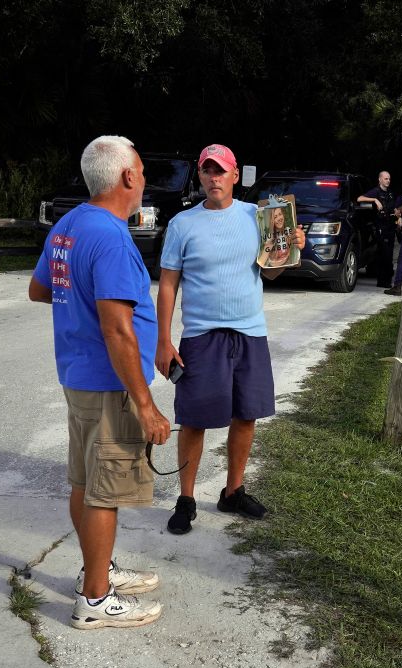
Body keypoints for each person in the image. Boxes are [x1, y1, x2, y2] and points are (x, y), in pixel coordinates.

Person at [29, 135, 170, 629]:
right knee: (104, 491)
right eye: (142, 171)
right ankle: (94, 600)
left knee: (84, 481)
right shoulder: (110, 236)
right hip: (110, 386)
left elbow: (40, 289)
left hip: (78, 376)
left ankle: (98, 570)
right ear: (128, 177)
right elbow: (117, 329)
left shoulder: (69, 223)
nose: (145, 180)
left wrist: (79, 309)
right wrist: (146, 404)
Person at [155, 143, 306, 535]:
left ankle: (233, 491)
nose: (213, 178)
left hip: (250, 332)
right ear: (200, 177)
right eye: (207, 171)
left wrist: (290, 249)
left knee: (246, 415)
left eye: (220, 171)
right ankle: (186, 499)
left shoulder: (259, 216)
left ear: (235, 175)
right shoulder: (182, 224)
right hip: (202, 337)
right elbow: (168, 285)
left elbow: (271, 274)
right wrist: (163, 341)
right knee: (193, 420)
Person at [357, 171, 398, 287]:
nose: (388, 181)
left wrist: (398, 215)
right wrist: (374, 200)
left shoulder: (390, 193)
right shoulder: (375, 192)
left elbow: (393, 207)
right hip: (381, 227)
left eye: (389, 179)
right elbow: (360, 199)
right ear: (380, 180)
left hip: (390, 226)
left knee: (389, 255)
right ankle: (382, 281)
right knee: (383, 254)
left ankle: (387, 281)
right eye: (385, 179)